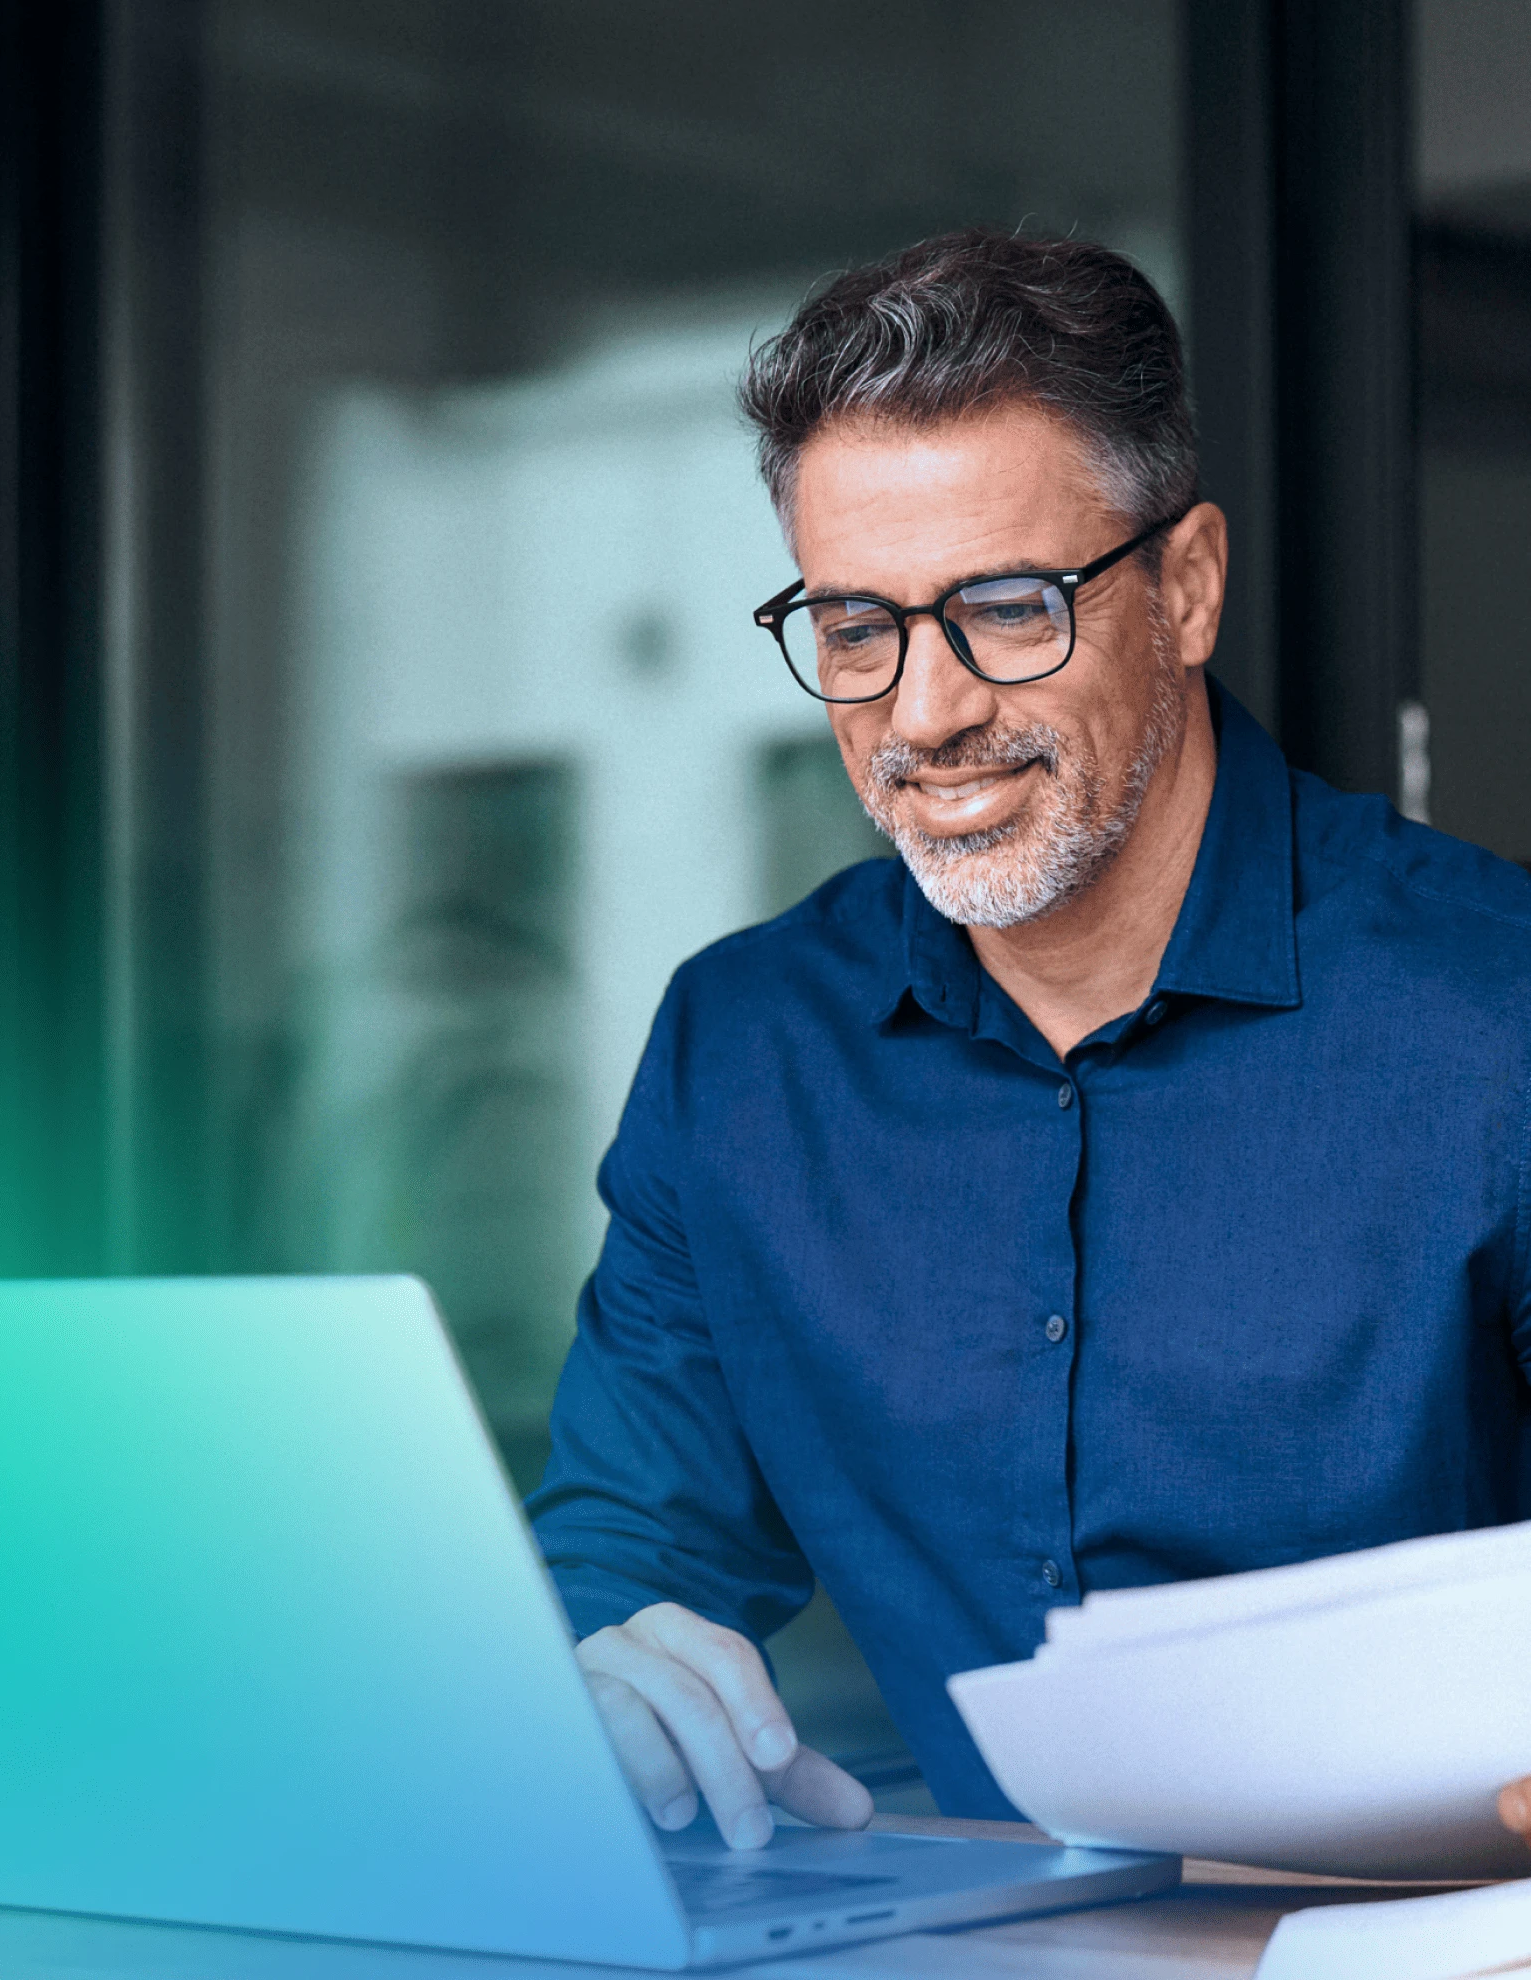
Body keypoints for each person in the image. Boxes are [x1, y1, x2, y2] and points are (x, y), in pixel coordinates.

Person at [526, 228, 1531, 1856]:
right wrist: (587, 1673)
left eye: (1005, 608)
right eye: (857, 627)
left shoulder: (1499, 1020)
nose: (924, 713)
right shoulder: (745, 1051)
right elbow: (626, 1556)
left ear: (1187, 587)